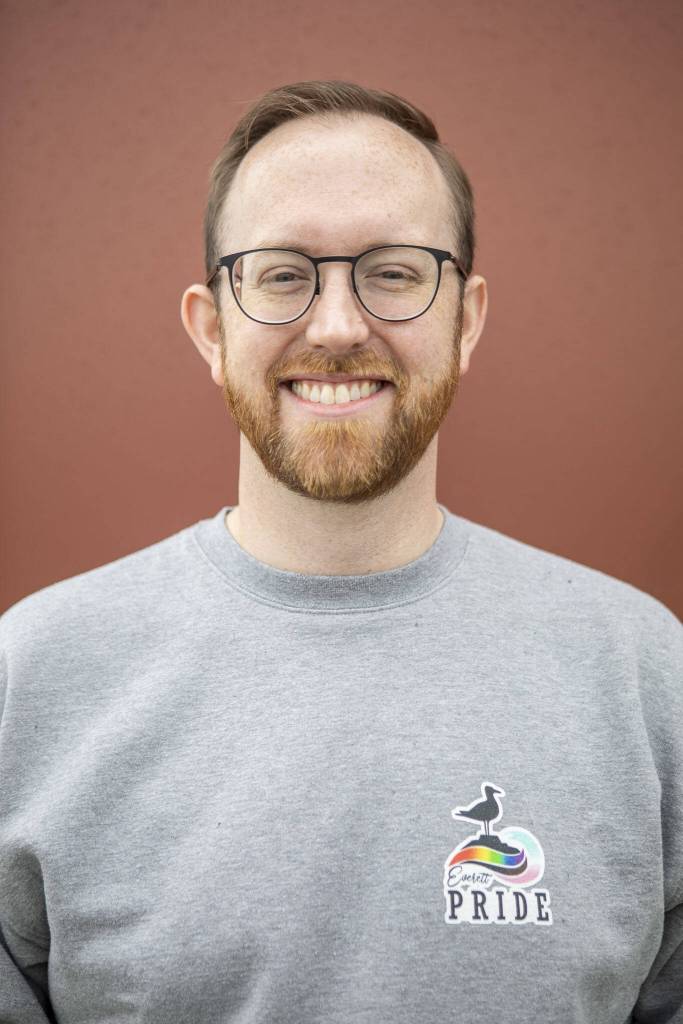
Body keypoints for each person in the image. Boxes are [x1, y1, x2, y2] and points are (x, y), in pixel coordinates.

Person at [0, 79, 681, 1024]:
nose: (335, 326)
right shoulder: (31, 679)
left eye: (394, 271)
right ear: (211, 327)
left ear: (466, 319)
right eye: (281, 273)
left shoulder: (644, 678)